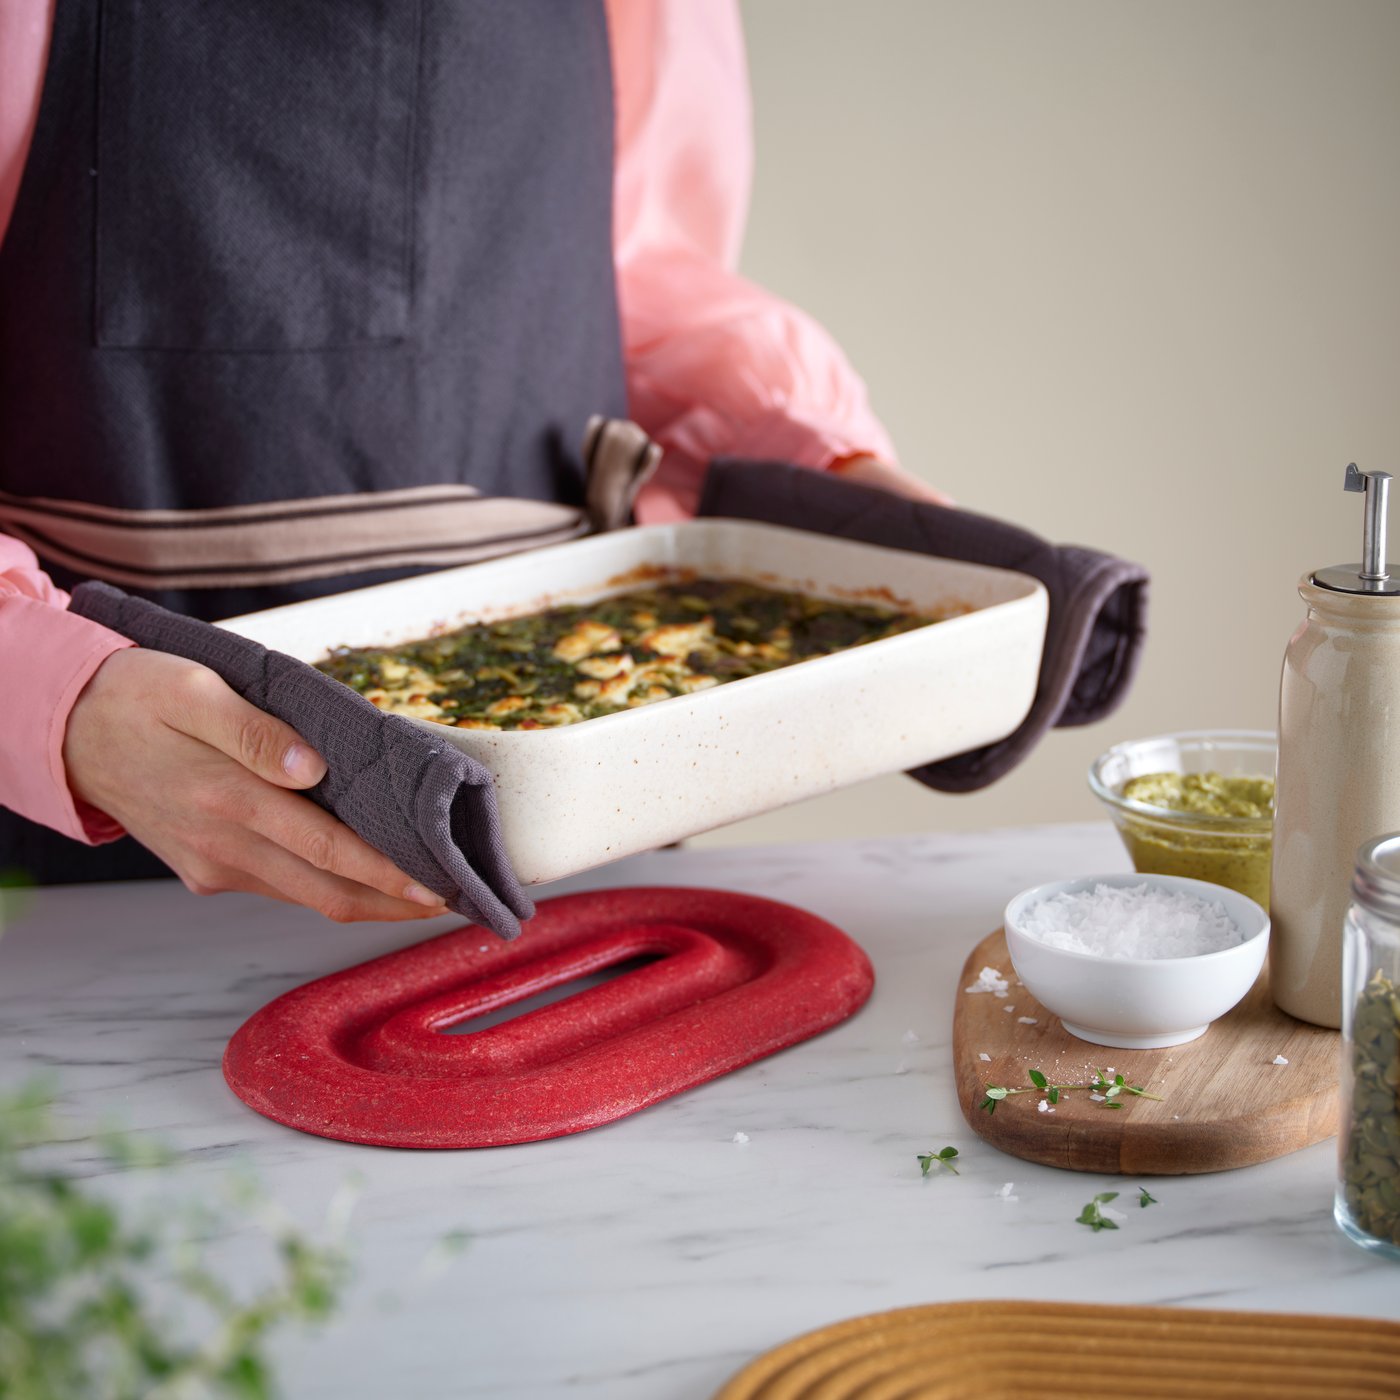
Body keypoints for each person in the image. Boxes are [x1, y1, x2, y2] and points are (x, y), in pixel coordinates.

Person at [0, 1, 946, 923]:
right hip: (98, 822)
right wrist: (51, 700)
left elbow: (636, 264)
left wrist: (823, 465)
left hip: (581, 806)